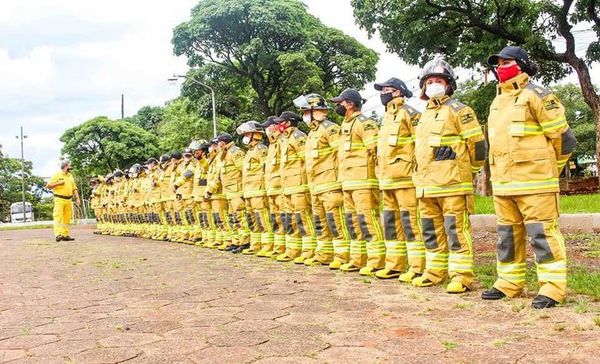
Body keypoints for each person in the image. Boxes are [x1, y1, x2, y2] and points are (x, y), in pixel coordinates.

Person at [482, 46, 576, 308]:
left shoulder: (537, 95)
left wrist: (549, 169)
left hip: (536, 184)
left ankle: (552, 288)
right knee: (507, 237)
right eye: (498, 63)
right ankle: (509, 283)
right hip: (503, 186)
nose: (501, 67)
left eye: (507, 62)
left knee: (542, 235)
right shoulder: (497, 101)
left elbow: (565, 140)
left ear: (521, 65)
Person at [412, 59, 487, 293]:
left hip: (453, 185)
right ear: (424, 86)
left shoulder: (460, 111)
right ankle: (434, 272)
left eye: (439, 81)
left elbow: (478, 146)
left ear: (449, 85)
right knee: (430, 231)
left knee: (455, 231)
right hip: (425, 187)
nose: (434, 84)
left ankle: (461, 276)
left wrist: (470, 172)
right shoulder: (424, 115)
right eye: (430, 81)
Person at [373, 78, 426, 282]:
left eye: (387, 89)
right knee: (390, 224)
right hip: (386, 180)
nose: (383, 92)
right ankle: (394, 266)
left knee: (410, 223)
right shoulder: (386, 117)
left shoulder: (410, 114)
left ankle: (417, 267)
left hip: (405, 179)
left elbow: (419, 146)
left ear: (398, 92)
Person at [330, 89, 384, 275]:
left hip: (364, 182)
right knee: (353, 223)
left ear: (350, 104)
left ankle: (376, 261)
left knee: (367, 221)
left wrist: (378, 179)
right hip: (348, 182)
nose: (337, 106)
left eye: (340, 102)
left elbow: (375, 151)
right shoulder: (345, 124)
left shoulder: (365, 123)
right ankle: (357, 260)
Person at [295, 93, 350, 268]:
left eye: (306, 111)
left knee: (335, 223)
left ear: (315, 111)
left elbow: (340, 154)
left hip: (330, 185)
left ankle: (342, 256)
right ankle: (324, 254)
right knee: (321, 225)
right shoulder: (312, 133)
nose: (304, 115)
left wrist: (341, 180)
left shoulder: (330, 128)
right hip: (316, 186)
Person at [273, 111, 317, 263]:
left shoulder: (298, 137)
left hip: (299, 186)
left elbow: (306, 161)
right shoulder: (285, 139)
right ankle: (293, 250)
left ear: (288, 122)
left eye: (281, 122)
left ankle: (309, 251)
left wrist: (307, 183)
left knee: (303, 219)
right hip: (288, 187)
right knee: (290, 220)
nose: (278, 125)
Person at [236, 121, 272, 255]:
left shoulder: (261, 149)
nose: (245, 136)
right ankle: (256, 245)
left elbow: (265, 168)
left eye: (247, 133)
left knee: (263, 220)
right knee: (253, 220)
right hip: (249, 192)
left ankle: (267, 245)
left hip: (259, 190)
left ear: (256, 135)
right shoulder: (249, 152)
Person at [46, 159, 81, 242]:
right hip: (59, 199)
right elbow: (48, 186)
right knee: (58, 217)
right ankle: (58, 234)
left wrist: (77, 198)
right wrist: (58, 183)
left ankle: (65, 234)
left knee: (67, 218)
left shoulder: (70, 176)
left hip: (68, 200)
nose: (71, 167)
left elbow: (74, 188)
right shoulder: (57, 175)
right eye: (70, 166)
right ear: (65, 166)